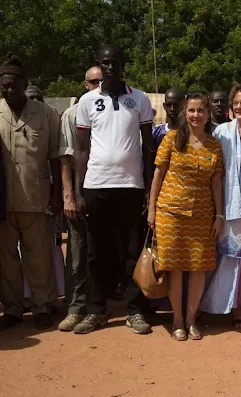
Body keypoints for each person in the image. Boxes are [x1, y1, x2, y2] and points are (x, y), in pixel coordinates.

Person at [73, 44, 155, 335]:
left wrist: (147, 188)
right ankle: (96, 311)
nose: (110, 67)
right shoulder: (86, 101)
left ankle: (136, 311)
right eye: (105, 62)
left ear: (123, 64)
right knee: (97, 252)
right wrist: (78, 192)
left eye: (115, 62)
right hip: (96, 185)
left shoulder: (141, 99)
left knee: (132, 250)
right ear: (99, 64)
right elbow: (81, 149)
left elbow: (148, 147)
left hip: (131, 186)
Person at [148, 92, 223, 341]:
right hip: (171, 212)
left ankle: (191, 320)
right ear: (184, 113)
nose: (196, 115)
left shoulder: (214, 145)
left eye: (201, 110)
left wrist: (219, 215)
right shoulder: (171, 139)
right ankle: (177, 319)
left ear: (208, 113)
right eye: (191, 110)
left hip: (202, 214)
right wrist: (151, 210)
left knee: (198, 268)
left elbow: (216, 183)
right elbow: (157, 175)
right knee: (177, 268)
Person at [0, 54, 62, 330]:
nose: (8, 90)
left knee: (38, 255)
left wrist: (58, 194)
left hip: (35, 195)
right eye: (4, 86)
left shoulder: (45, 114)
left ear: (24, 84)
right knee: (7, 258)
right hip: (3, 201)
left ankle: (42, 305)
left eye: (13, 85)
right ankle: (13, 306)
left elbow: (56, 157)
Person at [200, 83, 241, 327]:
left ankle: (240, 307)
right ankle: (218, 305)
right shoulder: (222, 133)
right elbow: (214, 171)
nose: (239, 107)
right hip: (226, 204)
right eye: (236, 102)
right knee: (226, 257)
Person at [57, 66, 103, 332]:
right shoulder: (72, 114)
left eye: (102, 81)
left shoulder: (114, 108)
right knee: (77, 252)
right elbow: (66, 158)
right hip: (80, 191)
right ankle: (76, 307)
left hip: (106, 192)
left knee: (103, 252)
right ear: (85, 85)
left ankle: (100, 306)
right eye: (94, 81)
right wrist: (69, 196)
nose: (99, 85)